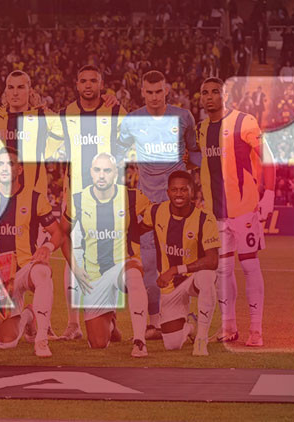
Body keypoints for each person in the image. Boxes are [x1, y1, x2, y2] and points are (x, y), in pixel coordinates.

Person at [116, 70, 200, 340]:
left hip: (176, 207)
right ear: (142, 92)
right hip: (146, 206)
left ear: (167, 91)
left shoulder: (183, 117)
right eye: (149, 92)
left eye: (158, 91)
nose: (154, 97)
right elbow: (118, 153)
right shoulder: (132, 120)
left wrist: (186, 173)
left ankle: (183, 317)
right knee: (149, 266)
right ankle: (154, 323)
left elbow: (195, 154)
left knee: (178, 262)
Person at [197, 77, 276, 347]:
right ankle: (228, 326)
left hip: (244, 211)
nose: (209, 97)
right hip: (216, 214)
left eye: (215, 92)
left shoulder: (244, 122)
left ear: (225, 96)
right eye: (205, 93)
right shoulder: (202, 129)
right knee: (223, 271)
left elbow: (269, 157)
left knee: (249, 266)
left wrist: (269, 195)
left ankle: (256, 330)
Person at [0, 147, 64, 357]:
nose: (5, 168)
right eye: (0, 164)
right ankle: (28, 315)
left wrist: (47, 247)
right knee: (6, 343)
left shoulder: (35, 198)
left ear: (19, 169)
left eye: (10, 163)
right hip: (0, 275)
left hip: (26, 268)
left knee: (42, 272)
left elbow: (57, 233)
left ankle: (41, 339)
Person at [56, 64, 128, 341]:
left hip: (107, 197)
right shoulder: (65, 115)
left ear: (101, 84)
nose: (88, 85)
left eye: (93, 81)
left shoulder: (115, 112)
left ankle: (110, 319)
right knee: (74, 256)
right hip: (75, 195)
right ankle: (73, 323)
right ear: (76, 84)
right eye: (83, 80)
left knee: (108, 258)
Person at [60, 153, 150, 357]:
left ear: (115, 173)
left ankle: (139, 341)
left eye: (107, 170)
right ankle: (110, 322)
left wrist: (135, 234)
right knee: (98, 343)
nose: (102, 175)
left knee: (134, 275)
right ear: (91, 173)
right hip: (96, 274)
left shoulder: (133, 196)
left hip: (123, 265)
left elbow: (157, 217)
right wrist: (75, 268)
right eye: (98, 170)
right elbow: (63, 233)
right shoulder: (79, 200)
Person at [142, 171, 219, 356]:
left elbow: (212, 260)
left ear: (192, 191)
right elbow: (137, 232)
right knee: (172, 344)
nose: (179, 194)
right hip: (170, 286)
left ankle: (201, 338)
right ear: (168, 192)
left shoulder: (205, 218)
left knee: (207, 276)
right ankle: (190, 326)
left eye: (184, 190)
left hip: (192, 278)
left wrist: (176, 269)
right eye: (174, 190)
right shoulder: (155, 212)